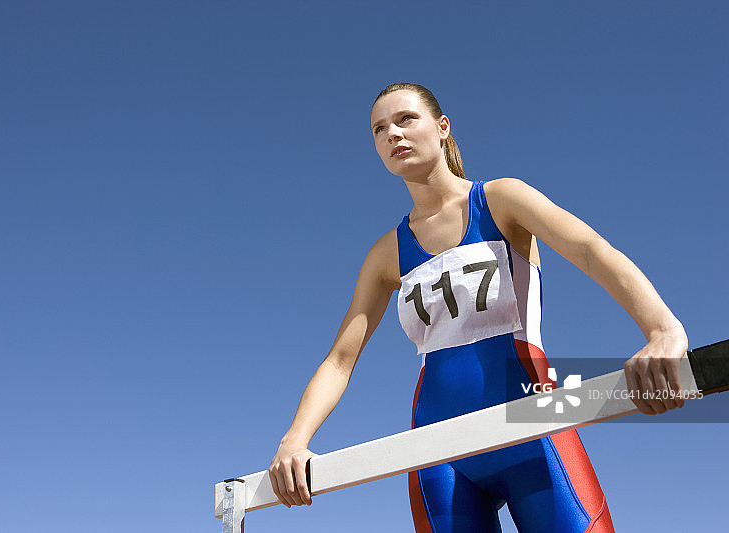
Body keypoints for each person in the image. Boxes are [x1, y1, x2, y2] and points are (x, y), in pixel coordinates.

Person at [268, 82, 688, 532]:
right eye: (379, 129)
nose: (393, 133)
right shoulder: (385, 254)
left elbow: (589, 249)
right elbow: (340, 360)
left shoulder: (502, 199)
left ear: (442, 127)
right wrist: (294, 440)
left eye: (406, 119)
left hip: (532, 421)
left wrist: (662, 329)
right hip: (437, 447)